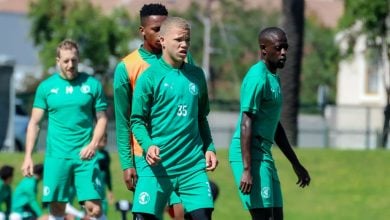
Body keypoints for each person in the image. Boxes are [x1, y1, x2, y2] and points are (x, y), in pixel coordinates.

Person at [130, 16, 218, 220]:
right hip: (157, 168)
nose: (184, 44)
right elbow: (136, 121)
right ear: (162, 41)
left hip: (192, 168)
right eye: (178, 40)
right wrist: (148, 144)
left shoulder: (197, 75)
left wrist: (210, 148)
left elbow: (201, 118)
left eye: (187, 39)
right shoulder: (149, 78)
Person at [228, 27, 311, 220]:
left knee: (276, 216)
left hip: (264, 155)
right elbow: (246, 122)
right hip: (249, 155)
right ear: (264, 49)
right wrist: (247, 170)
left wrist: (295, 164)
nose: (284, 53)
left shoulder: (274, 78)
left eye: (286, 48)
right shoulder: (258, 77)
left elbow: (276, 127)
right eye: (279, 48)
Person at [21, 39, 108, 220]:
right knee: (57, 207)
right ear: (58, 61)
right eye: (66, 61)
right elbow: (34, 123)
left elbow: (102, 119)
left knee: (95, 208)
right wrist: (28, 156)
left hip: (85, 156)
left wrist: (93, 145)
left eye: (74, 60)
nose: (70, 65)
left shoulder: (92, 85)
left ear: (79, 60)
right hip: (56, 157)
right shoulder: (46, 87)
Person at [113, 3, 193, 193]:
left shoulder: (185, 60)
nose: (161, 34)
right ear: (142, 31)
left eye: (165, 29)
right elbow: (124, 120)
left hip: (183, 156)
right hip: (145, 156)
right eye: (156, 29)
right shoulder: (127, 67)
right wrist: (127, 164)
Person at [95, 133, 114, 215]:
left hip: (102, 192)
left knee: (103, 213)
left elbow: (107, 173)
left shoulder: (106, 154)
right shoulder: (90, 152)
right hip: (92, 191)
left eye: (105, 138)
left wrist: (110, 190)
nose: (104, 140)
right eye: (102, 138)